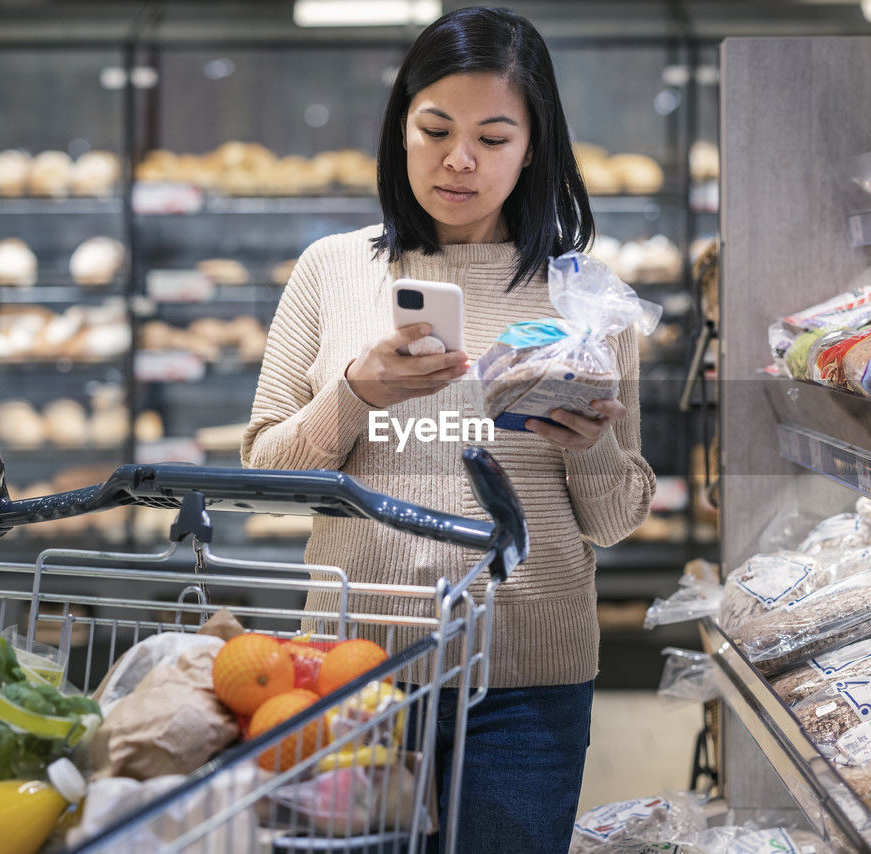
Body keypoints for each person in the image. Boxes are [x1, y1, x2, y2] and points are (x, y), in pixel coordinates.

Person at [242, 7, 654, 851]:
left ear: (534, 146)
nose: (458, 160)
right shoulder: (332, 270)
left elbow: (615, 522)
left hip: (525, 686)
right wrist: (353, 393)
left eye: (494, 137)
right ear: (401, 128)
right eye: (435, 129)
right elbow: (265, 477)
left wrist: (592, 445)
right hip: (350, 673)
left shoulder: (587, 298)